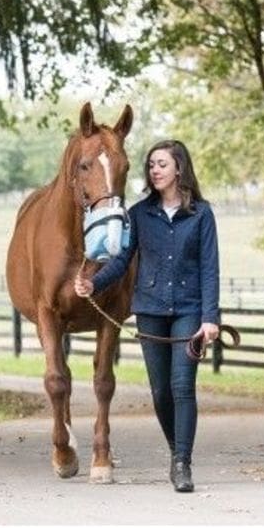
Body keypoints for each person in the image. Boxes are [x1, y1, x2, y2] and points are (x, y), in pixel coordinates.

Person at [75, 139, 220, 493]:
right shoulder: (139, 214)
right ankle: (177, 451)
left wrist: (210, 317)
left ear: (179, 169)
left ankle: (183, 463)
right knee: (160, 392)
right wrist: (94, 284)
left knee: (182, 386)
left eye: (162, 164)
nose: (155, 170)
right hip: (150, 310)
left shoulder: (201, 214)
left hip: (188, 309)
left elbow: (210, 268)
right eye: (152, 164)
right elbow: (123, 260)